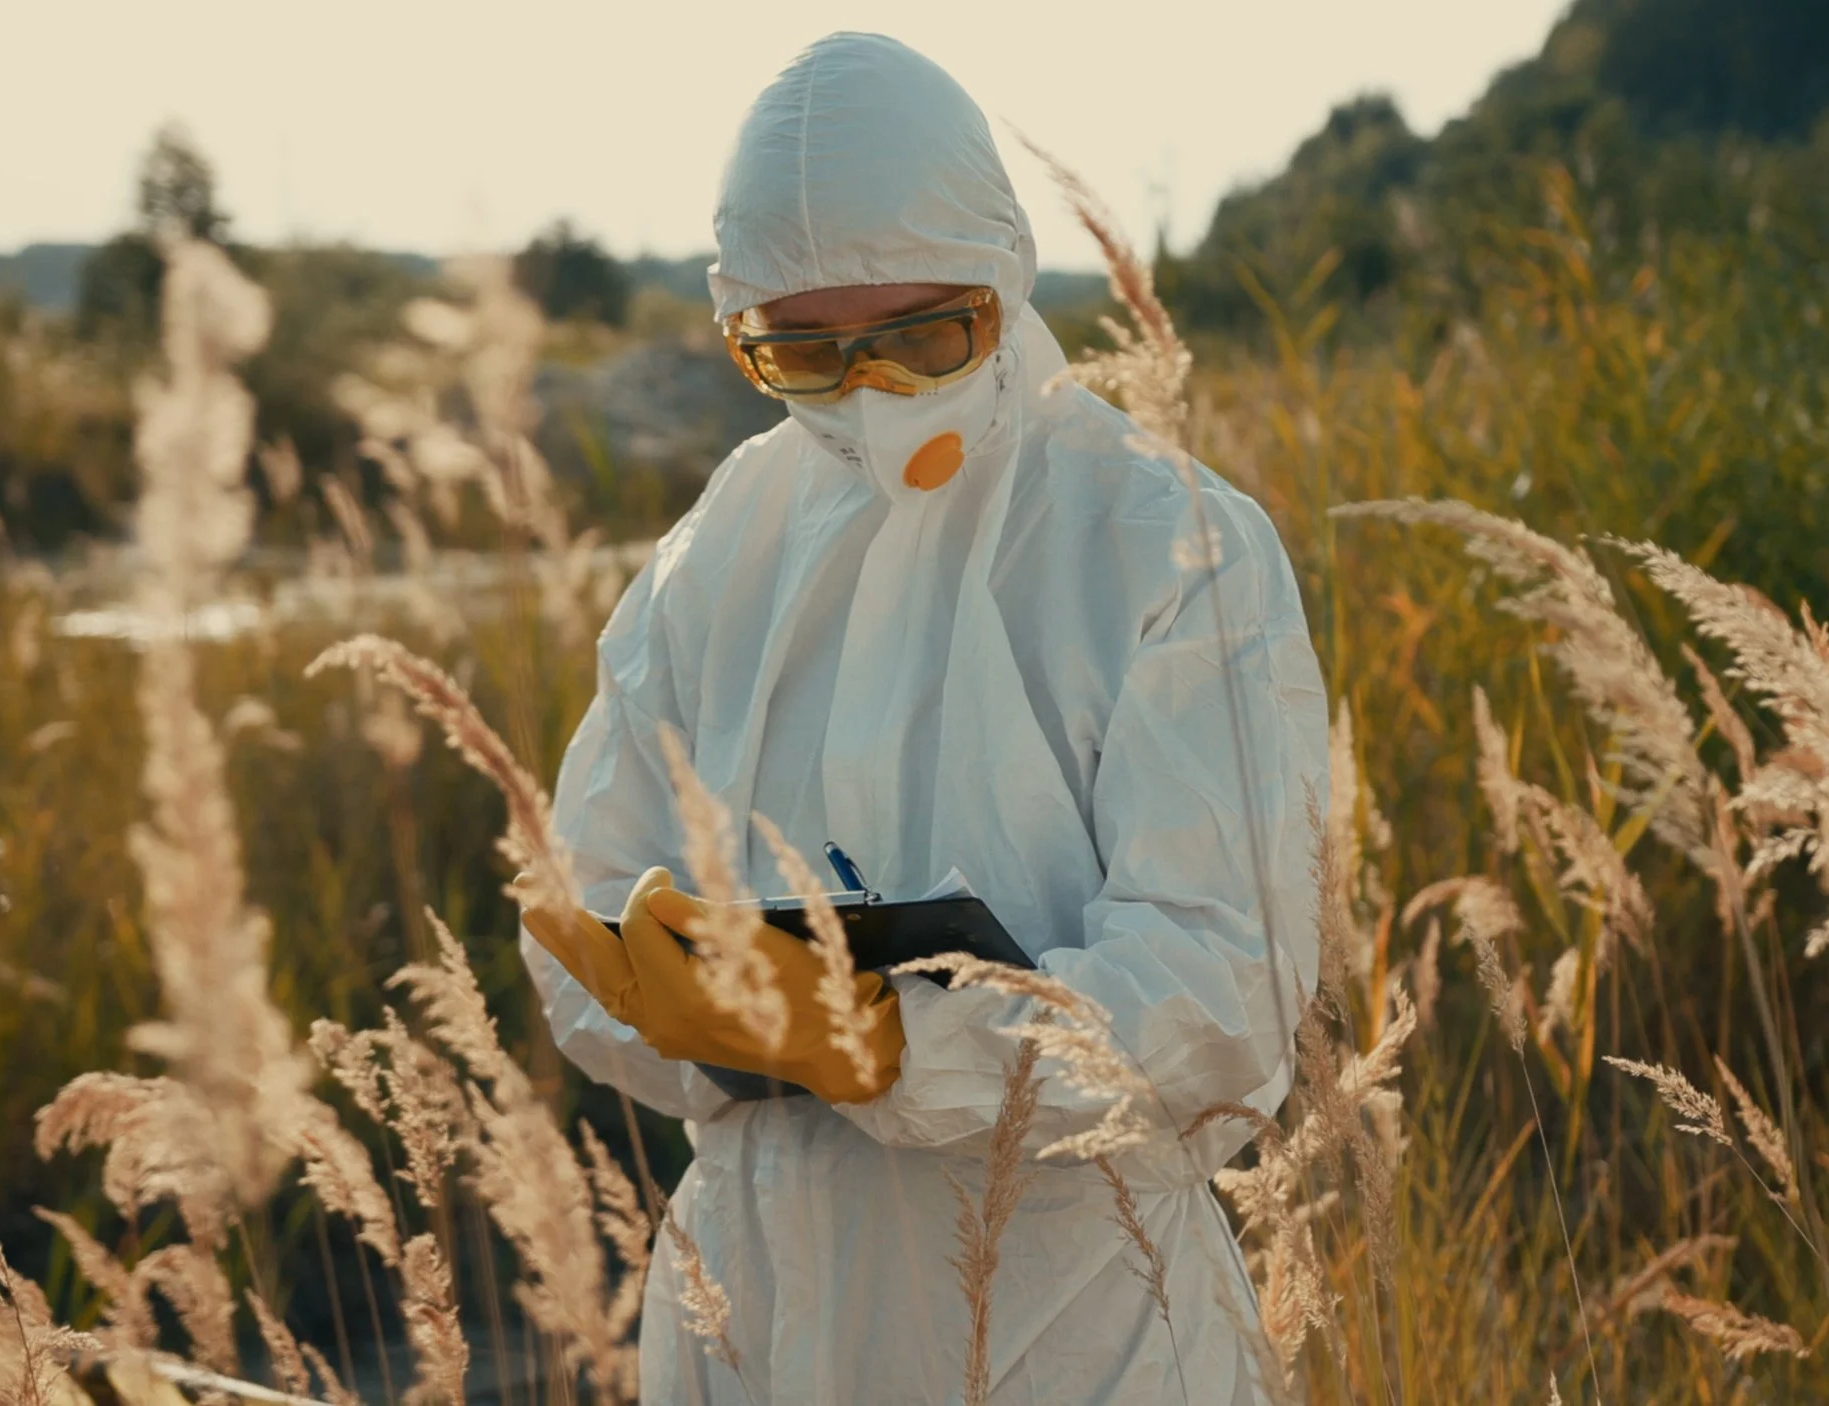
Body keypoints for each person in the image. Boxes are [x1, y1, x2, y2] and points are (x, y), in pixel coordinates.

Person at [517, 31, 1330, 1405]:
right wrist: (667, 999)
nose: (872, 393)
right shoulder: (717, 554)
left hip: (1078, 1319)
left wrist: (911, 1044)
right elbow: (590, 906)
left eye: (921, 338)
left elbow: (1221, 992)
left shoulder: (1168, 545)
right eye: (807, 353)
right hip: (757, 1311)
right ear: (744, 328)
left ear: (1003, 275)